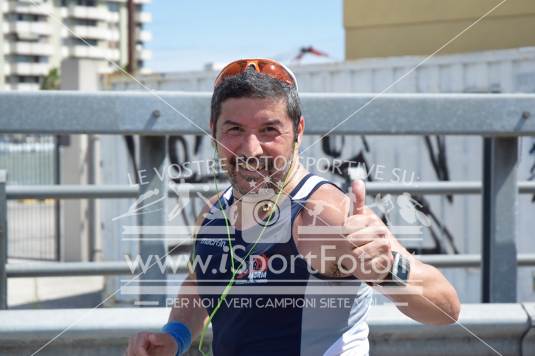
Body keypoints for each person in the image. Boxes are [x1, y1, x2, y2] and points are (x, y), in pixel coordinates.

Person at [126, 58, 460, 356]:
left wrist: (390, 270)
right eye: (235, 130)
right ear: (213, 132)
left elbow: (446, 306)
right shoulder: (214, 213)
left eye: (269, 130)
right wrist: (174, 337)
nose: (251, 149)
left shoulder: (322, 217)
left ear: (298, 131)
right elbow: (202, 283)